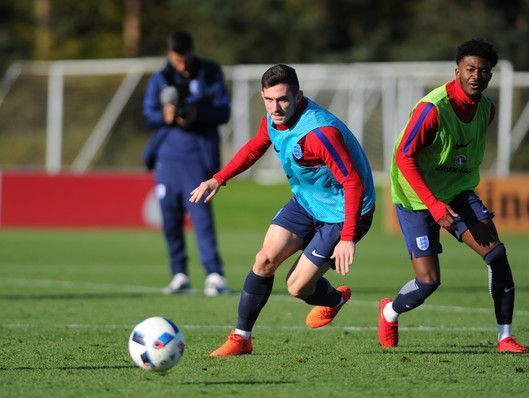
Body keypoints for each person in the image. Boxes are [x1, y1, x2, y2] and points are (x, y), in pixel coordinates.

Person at [190, 64, 376, 356]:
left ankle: (334, 300)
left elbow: (353, 183)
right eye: (269, 100)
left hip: (344, 212)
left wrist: (348, 236)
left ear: (298, 95)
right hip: (306, 201)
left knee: (297, 287)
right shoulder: (273, 119)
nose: (275, 108)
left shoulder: (320, 133)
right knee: (264, 260)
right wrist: (219, 178)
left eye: (283, 100)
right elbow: (255, 146)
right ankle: (241, 339)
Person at [381, 39, 528, 353]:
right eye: (470, 69)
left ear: (490, 76)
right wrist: (433, 205)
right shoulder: (432, 109)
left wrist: (448, 196)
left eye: (483, 71)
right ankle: (389, 312)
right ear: (457, 70)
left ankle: (505, 337)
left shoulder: (486, 110)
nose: (476, 76)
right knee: (428, 282)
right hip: (416, 197)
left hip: (457, 191)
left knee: (497, 256)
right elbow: (404, 157)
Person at [143, 31, 230, 296]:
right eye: (176, 59)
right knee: (169, 219)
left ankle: (214, 275)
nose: (180, 65)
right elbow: (148, 113)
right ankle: (179, 274)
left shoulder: (210, 72)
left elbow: (223, 111)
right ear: (169, 55)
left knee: (201, 218)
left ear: (192, 52)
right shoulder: (161, 77)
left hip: (198, 155)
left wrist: (196, 114)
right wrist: (165, 116)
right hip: (167, 157)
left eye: (184, 58)